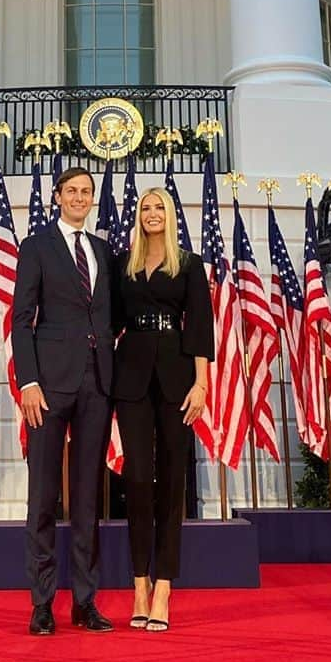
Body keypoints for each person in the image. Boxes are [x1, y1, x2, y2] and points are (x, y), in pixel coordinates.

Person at [12, 166, 117, 636]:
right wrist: (28, 382)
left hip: (97, 385)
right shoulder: (35, 246)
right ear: (57, 196)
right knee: (43, 500)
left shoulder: (102, 251)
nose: (79, 197)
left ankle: (85, 602)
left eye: (86, 191)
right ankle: (41, 605)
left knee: (88, 501)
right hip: (48, 388)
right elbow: (21, 320)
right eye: (71, 190)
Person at [112, 187, 214, 632]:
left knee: (173, 480)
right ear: (138, 217)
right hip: (130, 375)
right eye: (145, 208)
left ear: (170, 216)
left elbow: (201, 325)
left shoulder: (188, 265)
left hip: (177, 378)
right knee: (136, 479)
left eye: (159, 208)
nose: (152, 214)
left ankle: (165, 587)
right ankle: (138, 583)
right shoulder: (124, 264)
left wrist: (202, 383)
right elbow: (109, 319)